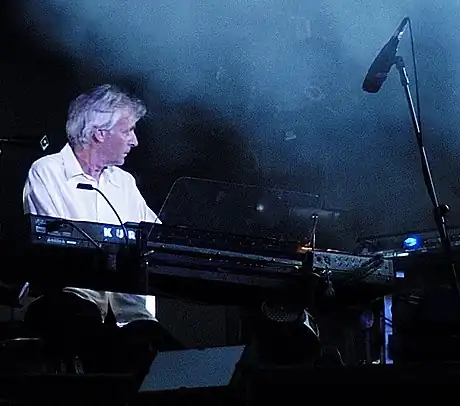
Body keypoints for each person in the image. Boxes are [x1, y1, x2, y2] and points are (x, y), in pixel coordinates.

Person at [22, 84, 167, 374]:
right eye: (128, 131)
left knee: (178, 361)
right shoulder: (47, 171)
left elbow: (156, 239)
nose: (135, 141)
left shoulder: (123, 182)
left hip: (129, 314)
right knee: (98, 341)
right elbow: (54, 244)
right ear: (100, 133)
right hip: (68, 302)